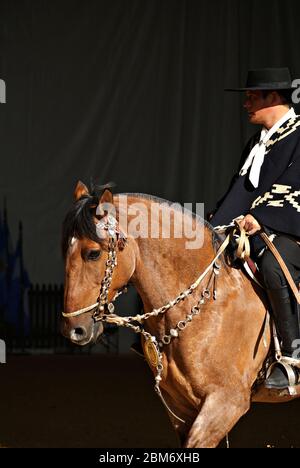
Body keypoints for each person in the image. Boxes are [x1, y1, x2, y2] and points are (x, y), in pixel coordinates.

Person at [210, 67, 300, 389]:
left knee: (274, 266)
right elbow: (240, 191)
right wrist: (213, 223)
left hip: (291, 229)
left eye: (251, 98)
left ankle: (293, 357)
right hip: (254, 227)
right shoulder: (256, 144)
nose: (246, 104)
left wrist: (263, 217)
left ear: (273, 97)